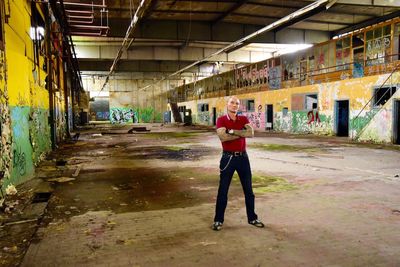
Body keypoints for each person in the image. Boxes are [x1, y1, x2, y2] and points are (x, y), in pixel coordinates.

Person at [212, 96, 264, 231]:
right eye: (232, 103)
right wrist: (242, 133)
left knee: (249, 190)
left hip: (243, 158)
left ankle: (252, 218)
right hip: (228, 158)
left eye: (237, 103)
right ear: (227, 104)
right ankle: (218, 220)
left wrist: (233, 131)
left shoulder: (244, 119)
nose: (234, 105)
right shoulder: (221, 120)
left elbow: (251, 133)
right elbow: (223, 137)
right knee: (223, 191)